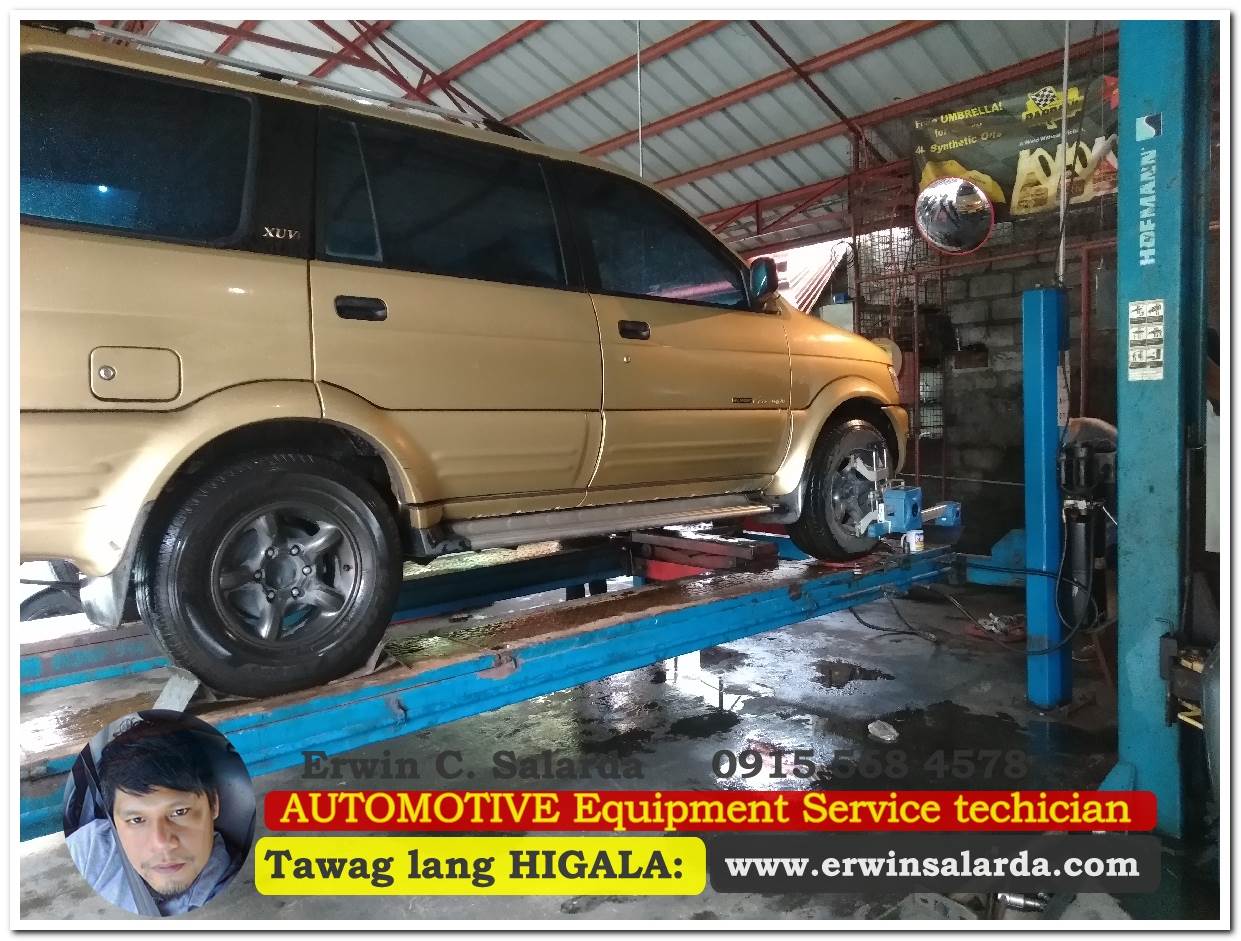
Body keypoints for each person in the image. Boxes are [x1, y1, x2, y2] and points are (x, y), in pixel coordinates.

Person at [65, 719, 234, 916]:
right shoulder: (90, 849)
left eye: (180, 812)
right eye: (136, 820)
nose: (161, 843)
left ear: (213, 804)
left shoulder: (235, 895)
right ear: (114, 823)